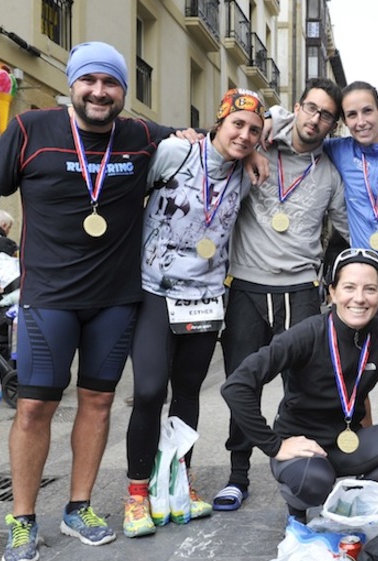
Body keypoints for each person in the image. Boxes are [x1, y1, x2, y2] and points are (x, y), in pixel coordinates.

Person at [0, 41, 188, 561]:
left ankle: (78, 506)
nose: (99, 92)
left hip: (115, 300)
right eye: (90, 81)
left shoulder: (143, 137)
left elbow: (217, 141)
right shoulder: (30, 130)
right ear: (73, 86)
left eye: (111, 83)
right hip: (50, 298)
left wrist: (262, 144)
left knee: (99, 403)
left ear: (124, 92)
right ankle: (22, 517)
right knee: (36, 406)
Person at [122, 88, 266, 537]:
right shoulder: (175, 152)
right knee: (148, 391)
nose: (244, 135)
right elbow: (130, 198)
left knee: (187, 394)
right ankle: (137, 494)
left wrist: (257, 150)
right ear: (218, 123)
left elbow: (282, 118)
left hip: (205, 297)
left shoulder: (244, 173)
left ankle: (177, 482)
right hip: (154, 291)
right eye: (237, 124)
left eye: (254, 130)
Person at [268, 81, 378, 430]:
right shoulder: (339, 150)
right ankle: (366, 451)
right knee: (357, 370)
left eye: (367, 111)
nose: (361, 120)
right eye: (352, 115)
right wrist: (267, 124)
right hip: (366, 284)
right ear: (344, 122)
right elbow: (302, 124)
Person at [219, 248, 378, 523]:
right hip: (303, 447)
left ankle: (358, 497)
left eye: (370, 289)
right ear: (332, 292)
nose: (359, 298)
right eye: (349, 287)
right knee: (314, 483)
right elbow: (236, 387)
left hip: (350, 441)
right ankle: (299, 510)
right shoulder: (306, 334)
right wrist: (274, 445)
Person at [213, 78, 348, 513]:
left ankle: (303, 469)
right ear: (296, 107)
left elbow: (346, 232)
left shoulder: (329, 174)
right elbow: (224, 141)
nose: (314, 119)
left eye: (326, 115)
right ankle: (237, 475)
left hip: (301, 290)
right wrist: (257, 137)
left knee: (304, 387)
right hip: (247, 285)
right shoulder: (260, 142)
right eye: (310, 108)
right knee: (243, 379)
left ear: (333, 124)